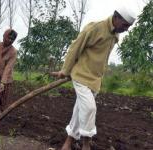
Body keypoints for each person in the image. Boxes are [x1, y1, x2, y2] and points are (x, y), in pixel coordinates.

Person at [51, 6, 136, 150]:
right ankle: (86, 144)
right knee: (90, 108)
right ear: (116, 17)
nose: (126, 29)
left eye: (129, 26)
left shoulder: (116, 35)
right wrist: (65, 70)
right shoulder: (95, 28)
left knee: (80, 111)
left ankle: (68, 143)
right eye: (125, 25)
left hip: (96, 79)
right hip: (81, 75)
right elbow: (75, 47)